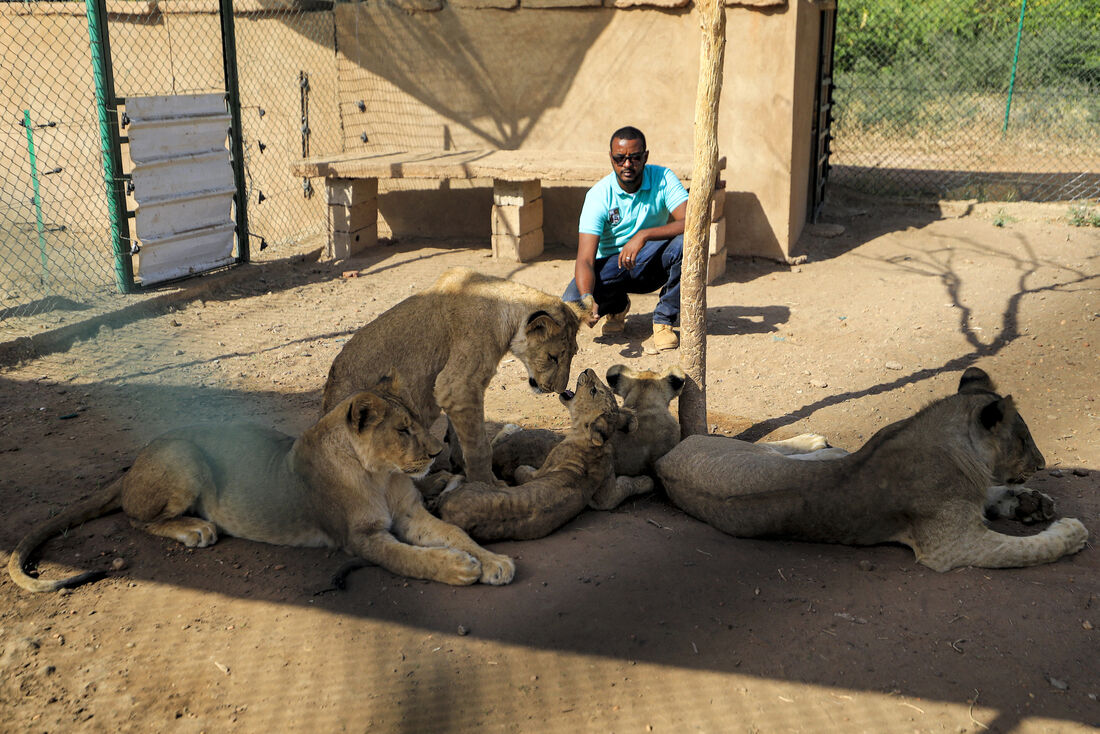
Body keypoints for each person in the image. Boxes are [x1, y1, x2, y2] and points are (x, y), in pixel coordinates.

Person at [563, 126, 688, 354]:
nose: (627, 165)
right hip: (612, 268)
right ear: (611, 158)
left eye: (635, 158)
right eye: (620, 158)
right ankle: (618, 306)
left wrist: (643, 235)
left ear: (646, 157)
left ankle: (663, 321)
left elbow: (691, 220)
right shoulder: (598, 196)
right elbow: (585, 259)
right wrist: (586, 299)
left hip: (650, 263)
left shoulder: (663, 178)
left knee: (686, 244)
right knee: (572, 300)